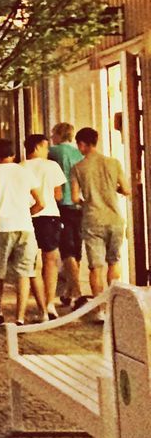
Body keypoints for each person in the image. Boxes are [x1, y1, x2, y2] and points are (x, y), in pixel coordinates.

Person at [0, 139, 45, 325]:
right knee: (23, 273)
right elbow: (41, 202)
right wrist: (26, 214)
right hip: (24, 227)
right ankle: (20, 316)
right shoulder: (25, 173)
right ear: (14, 154)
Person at [72, 126, 132, 316]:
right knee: (114, 262)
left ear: (82, 144)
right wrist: (112, 189)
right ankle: (114, 306)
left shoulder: (78, 168)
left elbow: (74, 198)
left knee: (95, 266)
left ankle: (100, 309)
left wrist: (87, 202)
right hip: (114, 218)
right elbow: (127, 189)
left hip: (92, 220)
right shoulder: (113, 163)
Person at [22, 133, 66, 319]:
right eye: (46, 147)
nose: (48, 151)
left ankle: (40, 306)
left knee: (32, 263)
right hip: (49, 216)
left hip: (27, 216)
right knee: (50, 260)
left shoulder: (21, 167)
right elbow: (58, 195)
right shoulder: (52, 166)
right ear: (38, 147)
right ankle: (50, 303)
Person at [49, 122, 85, 308]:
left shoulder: (54, 152)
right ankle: (68, 292)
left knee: (67, 248)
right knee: (76, 247)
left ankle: (77, 293)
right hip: (79, 204)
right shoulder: (78, 153)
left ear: (58, 134)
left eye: (53, 133)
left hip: (62, 204)